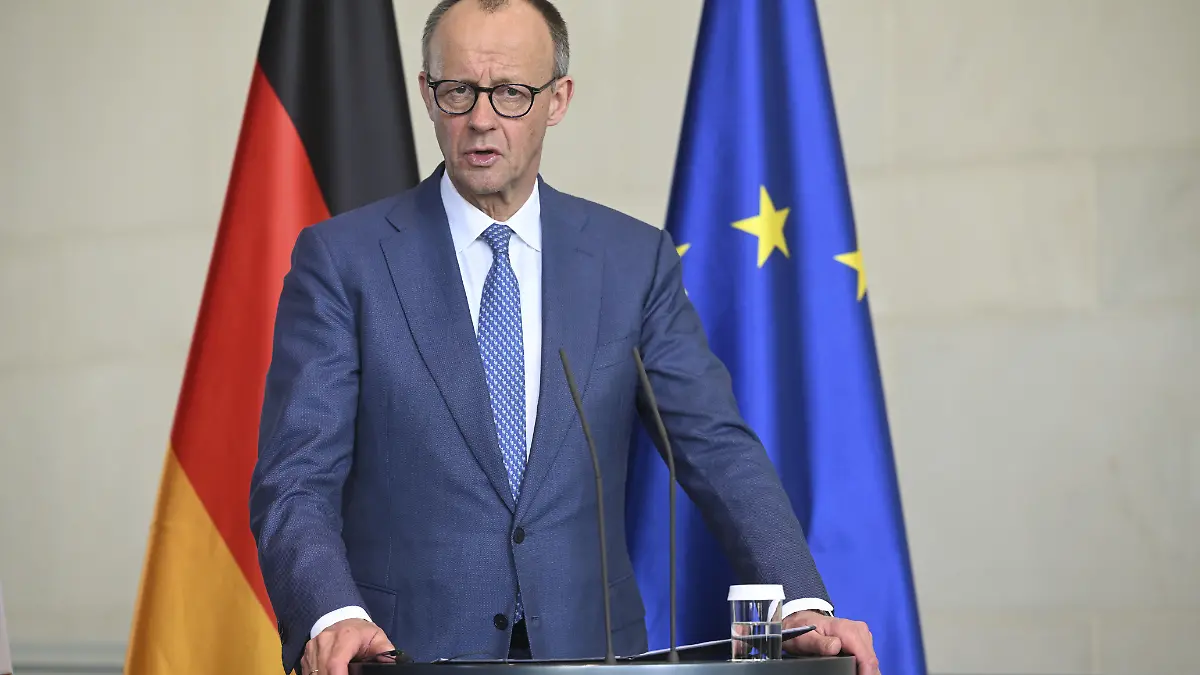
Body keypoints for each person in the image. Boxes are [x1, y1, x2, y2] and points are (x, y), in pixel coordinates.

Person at [249, 1, 881, 674]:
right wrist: (333, 613)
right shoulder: (343, 261)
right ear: (427, 95)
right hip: (406, 656)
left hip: (595, 652)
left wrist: (799, 599)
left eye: (512, 93)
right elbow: (294, 480)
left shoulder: (631, 262)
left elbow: (717, 447)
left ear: (558, 99)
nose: (482, 118)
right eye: (458, 90)